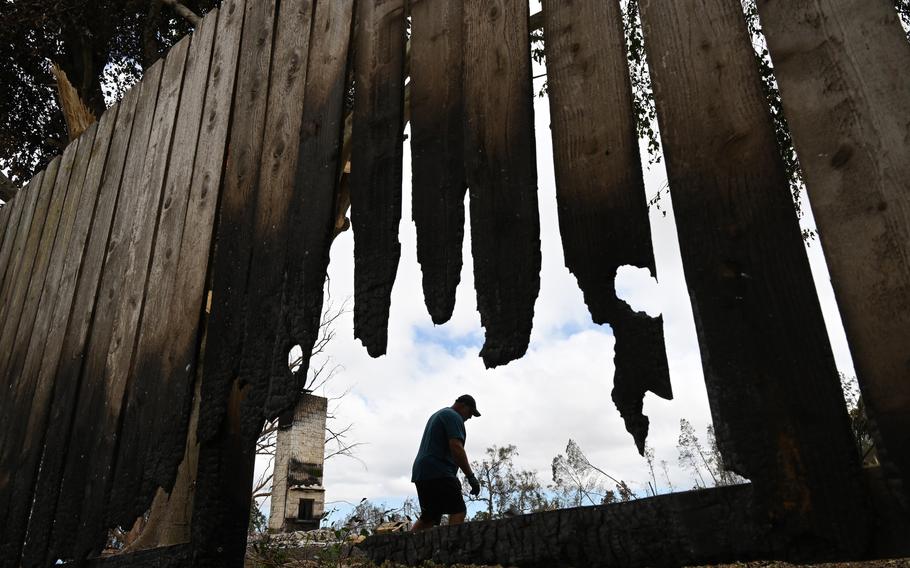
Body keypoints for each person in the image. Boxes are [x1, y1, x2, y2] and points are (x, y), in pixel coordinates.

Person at [410, 395, 482, 531]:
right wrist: (471, 477)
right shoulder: (453, 416)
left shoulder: (439, 414)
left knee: (429, 517)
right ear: (463, 405)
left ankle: (405, 549)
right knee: (458, 511)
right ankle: (452, 549)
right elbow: (456, 447)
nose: (470, 417)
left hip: (422, 472)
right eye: (470, 412)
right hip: (438, 470)